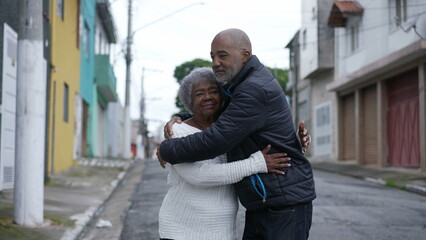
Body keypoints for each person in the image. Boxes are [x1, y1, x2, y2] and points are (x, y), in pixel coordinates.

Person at [157, 28, 316, 240]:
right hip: (265, 202)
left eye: (222, 55)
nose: (215, 62)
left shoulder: (253, 88)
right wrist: (183, 116)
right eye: (212, 56)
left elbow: (216, 139)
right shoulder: (239, 86)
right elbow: (221, 111)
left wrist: (167, 149)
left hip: (283, 203)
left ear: (244, 55)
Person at [158, 67, 291, 240]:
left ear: (222, 95)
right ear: (189, 101)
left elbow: (266, 138)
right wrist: (256, 163)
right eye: (199, 94)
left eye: (213, 91)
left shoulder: (231, 130)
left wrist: (297, 141)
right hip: (181, 230)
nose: (207, 97)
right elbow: (198, 175)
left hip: (222, 231)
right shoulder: (177, 131)